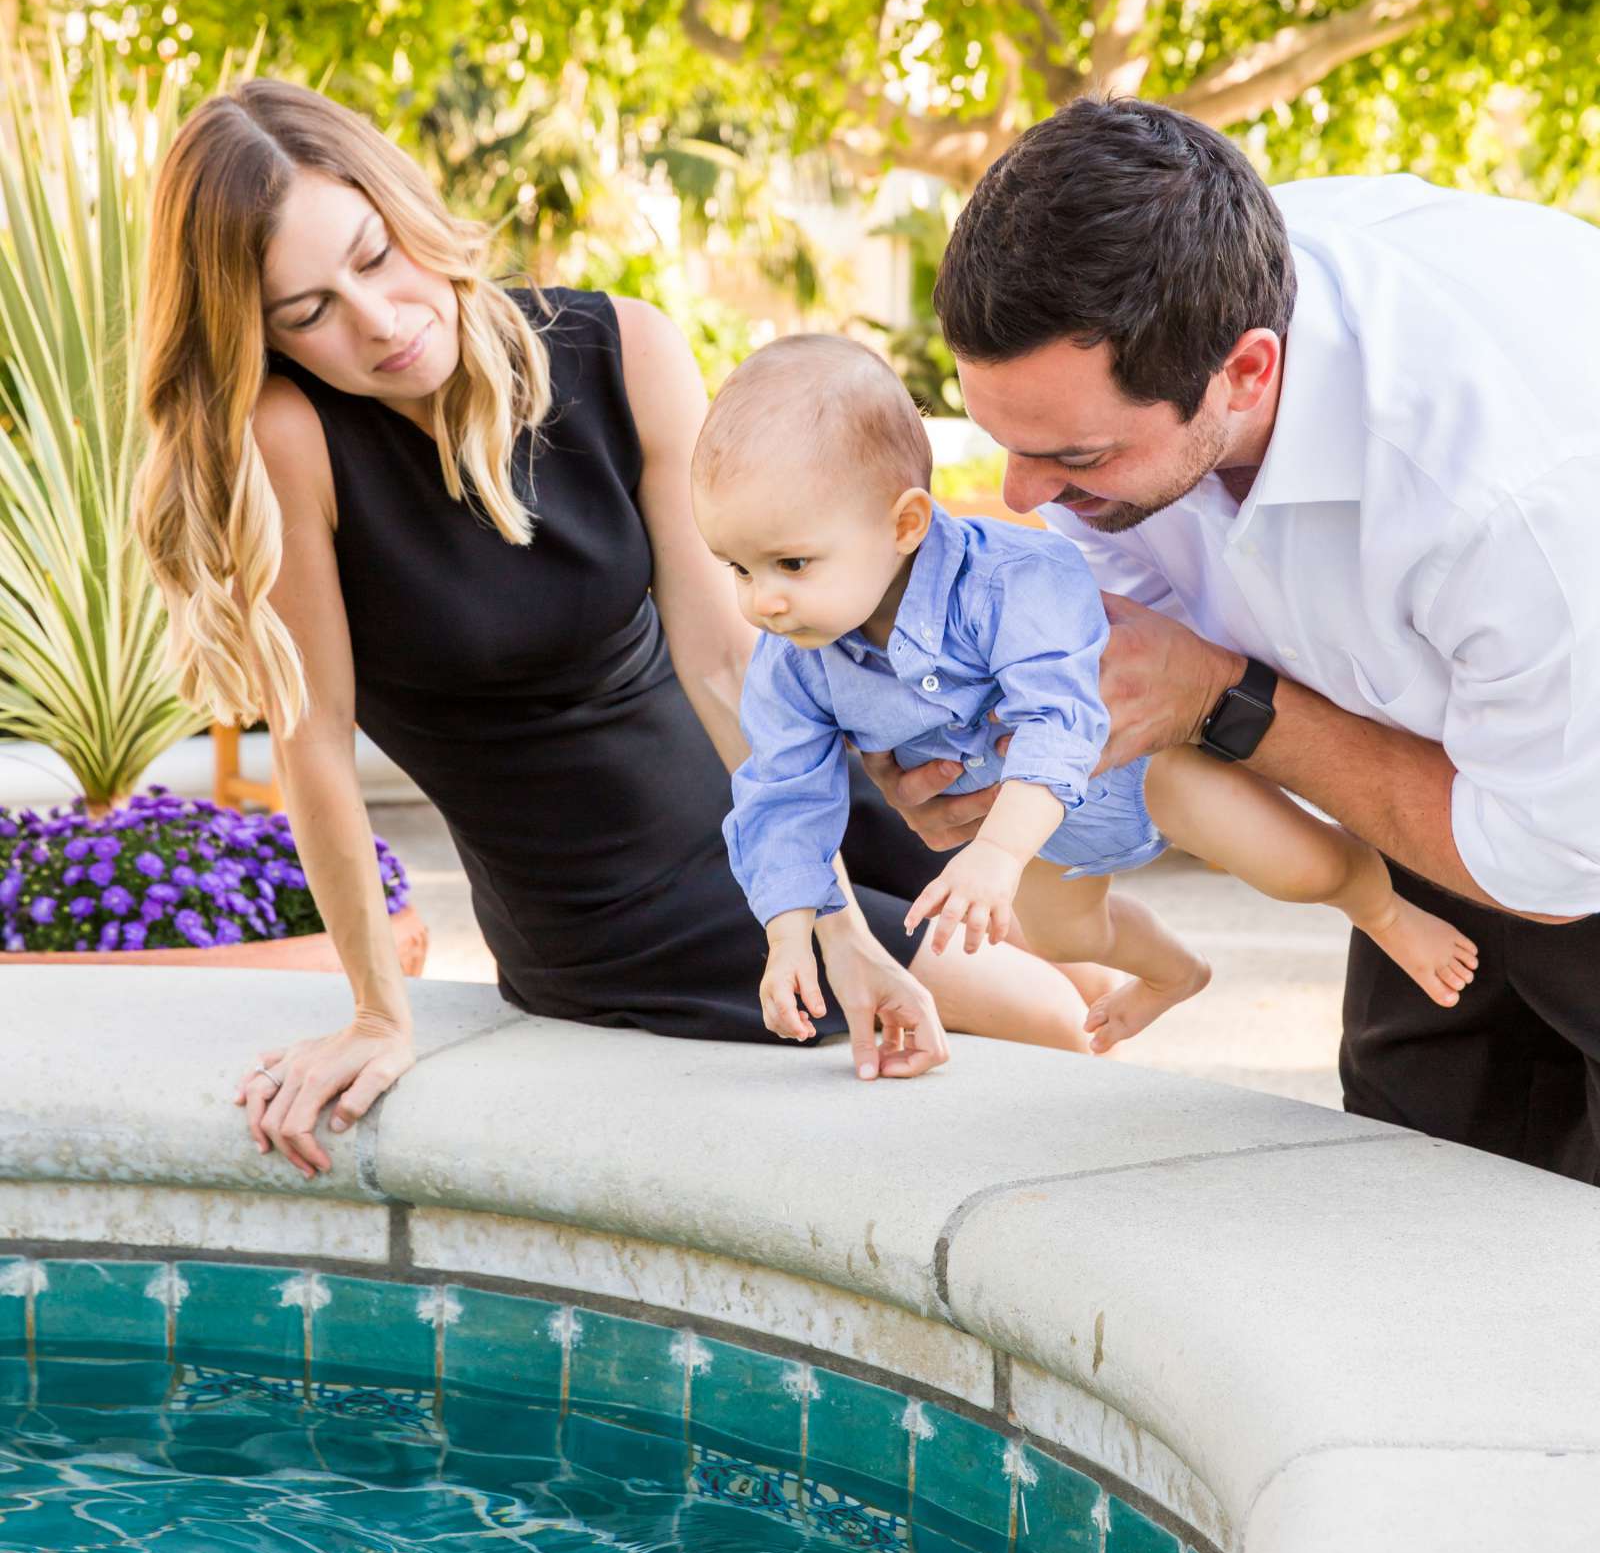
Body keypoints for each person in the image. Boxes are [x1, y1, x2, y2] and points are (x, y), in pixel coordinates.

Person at [134, 81, 1100, 1180]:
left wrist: (826, 907)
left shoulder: (619, 349)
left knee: (1076, 959)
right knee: (1037, 1012)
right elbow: (314, 745)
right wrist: (373, 1012)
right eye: (305, 312)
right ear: (257, 334)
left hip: (767, 792)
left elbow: (730, 661)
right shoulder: (289, 437)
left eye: (374, 253)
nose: (377, 318)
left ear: (405, 206)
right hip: (615, 900)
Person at [862, 95, 1600, 1180]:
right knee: (1407, 1153)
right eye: (1002, 441)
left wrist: (1220, 698)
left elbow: (1544, 863)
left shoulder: (1503, 500)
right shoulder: (1184, 287)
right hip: (1445, 765)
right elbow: (1119, 678)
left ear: (1246, 372)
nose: (1024, 496)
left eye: (1077, 453)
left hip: (1569, 799)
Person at [693, 336, 1477, 1053]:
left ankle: (1381, 912)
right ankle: (1177, 971)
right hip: (1040, 833)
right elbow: (783, 793)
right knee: (1066, 935)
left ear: (904, 524)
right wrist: (790, 931)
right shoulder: (794, 662)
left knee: (1296, 866)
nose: (761, 601)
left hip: (1139, 771)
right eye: (737, 567)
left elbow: (1060, 716)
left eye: (791, 565)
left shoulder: (1010, 582)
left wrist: (996, 854)